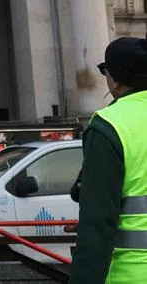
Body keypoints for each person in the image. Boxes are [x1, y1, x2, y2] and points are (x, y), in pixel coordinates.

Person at [70, 37, 147, 283]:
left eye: (106, 70)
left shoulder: (110, 124)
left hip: (132, 272)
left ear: (116, 79)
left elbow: (97, 223)